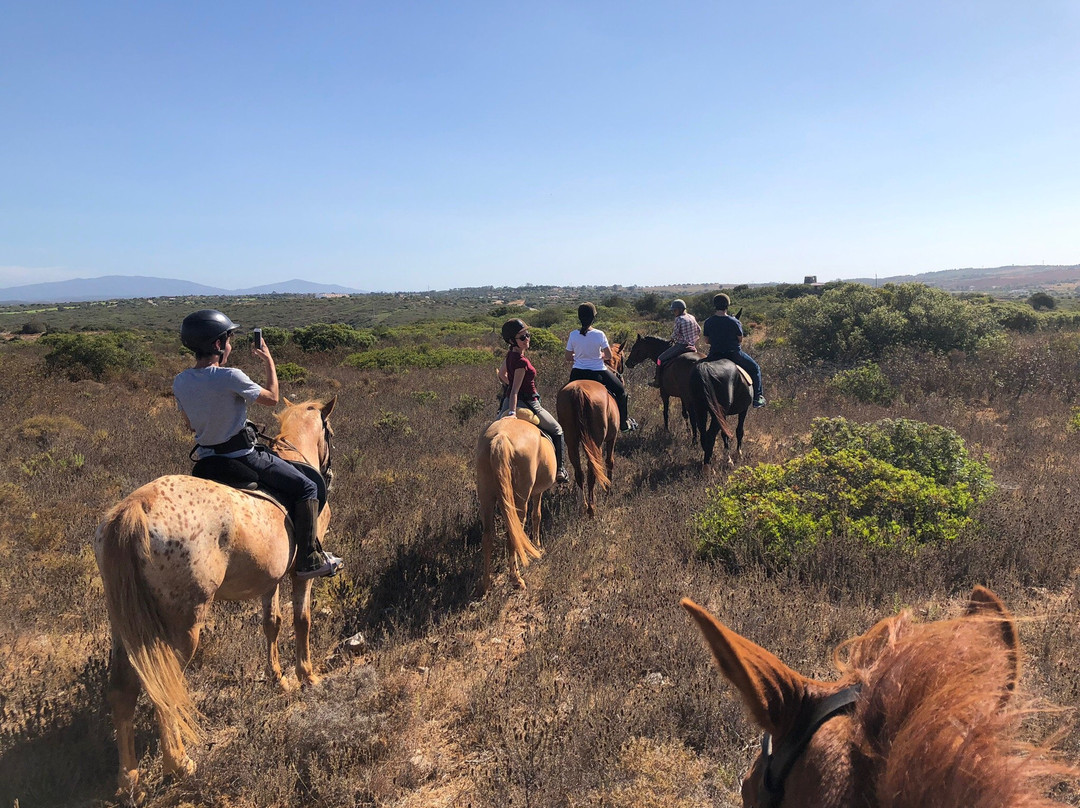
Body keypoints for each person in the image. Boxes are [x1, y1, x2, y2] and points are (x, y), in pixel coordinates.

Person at [173, 309, 344, 579]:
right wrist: (269, 361)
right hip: (242, 458)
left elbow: (191, 425)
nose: (230, 345)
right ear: (218, 345)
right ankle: (309, 560)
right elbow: (272, 398)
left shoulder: (180, 381)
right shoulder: (230, 376)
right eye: (227, 340)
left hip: (206, 462)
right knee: (308, 486)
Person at [497, 318, 569, 482]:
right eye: (522, 337)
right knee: (557, 430)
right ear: (511, 341)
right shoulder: (522, 362)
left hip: (507, 400)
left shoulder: (510, 355)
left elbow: (502, 375)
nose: (527, 339)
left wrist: (512, 388)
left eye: (527, 335)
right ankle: (560, 469)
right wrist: (514, 412)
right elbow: (515, 390)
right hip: (529, 402)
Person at [564, 302, 638, 432]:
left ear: (579, 317)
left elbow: (568, 356)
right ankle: (624, 424)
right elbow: (609, 356)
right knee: (621, 392)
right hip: (598, 372)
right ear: (594, 318)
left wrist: (581, 356)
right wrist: (597, 355)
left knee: (565, 396)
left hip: (576, 373)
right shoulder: (599, 334)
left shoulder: (573, 334)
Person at [702, 293, 766, 408]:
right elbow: (740, 340)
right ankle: (758, 397)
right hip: (734, 354)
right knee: (755, 368)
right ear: (727, 305)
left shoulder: (708, 322)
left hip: (714, 355)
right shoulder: (734, 322)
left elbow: (706, 340)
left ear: (715, 305)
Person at [651, 298, 701, 387]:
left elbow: (676, 333)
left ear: (680, 309)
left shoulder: (679, 319)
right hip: (692, 346)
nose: (674, 312)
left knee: (659, 359)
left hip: (681, 346)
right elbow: (699, 329)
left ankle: (657, 380)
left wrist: (672, 339)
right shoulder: (691, 317)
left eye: (675, 310)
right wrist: (693, 339)